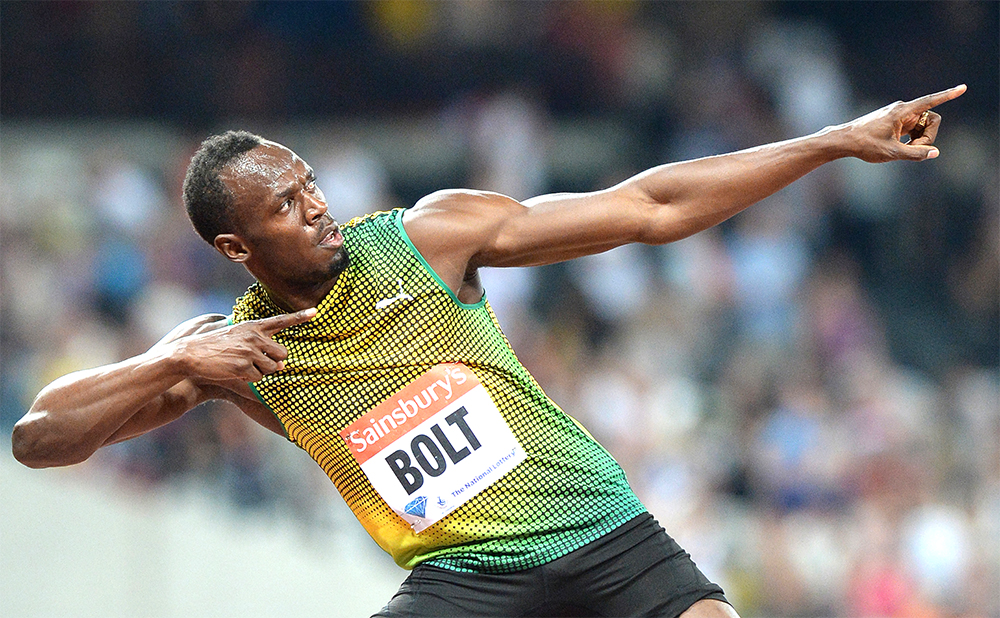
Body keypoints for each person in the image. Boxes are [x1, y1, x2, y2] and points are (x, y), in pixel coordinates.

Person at [12, 85, 965, 617]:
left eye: (310, 184)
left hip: (599, 532)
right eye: (287, 207)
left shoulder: (428, 238)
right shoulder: (229, 351)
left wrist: (836, 142)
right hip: (465, 584)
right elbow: (38, 440)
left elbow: (648, 206)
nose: (318, 207)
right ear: (235, 248)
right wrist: (172, 367)